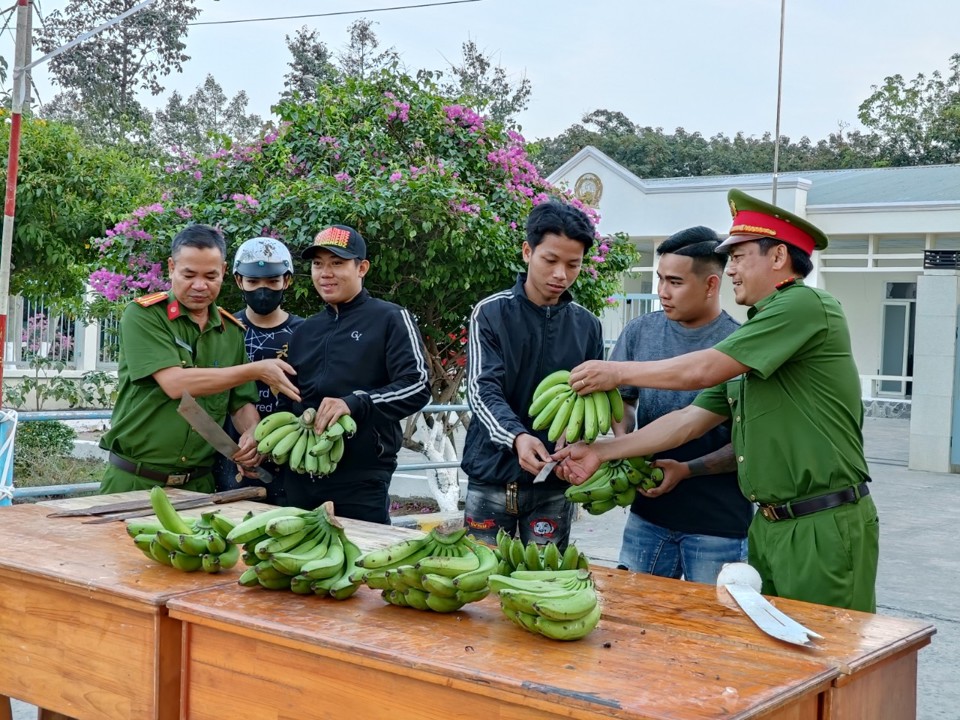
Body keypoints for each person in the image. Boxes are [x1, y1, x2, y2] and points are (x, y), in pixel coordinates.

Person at [557, 189, 879, 612]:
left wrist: (617, 371)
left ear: (778, 256)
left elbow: (700, 370)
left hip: (820, 524)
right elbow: (690, 419)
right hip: (770, 524)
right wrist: (601, 450)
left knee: (829, 657)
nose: (732, 271)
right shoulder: (756, 337)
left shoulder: (805, 305)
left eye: (741, 257)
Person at [99, 224, 300, 495]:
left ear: (224, 273)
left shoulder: (230, 332)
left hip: (200, 487)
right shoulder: (144, 316)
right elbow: (174, 383)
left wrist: (252, 435)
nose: (199, 285)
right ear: (171, 268)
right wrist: (255, 370)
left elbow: (239, 403)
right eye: (189, 274)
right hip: (136, 480)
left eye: (210, 276)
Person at [610, 226, 751, 584]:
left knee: (711, 632)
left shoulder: (740, 344)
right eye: (660, 280)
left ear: (710, 285)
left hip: (717, 526)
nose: (662, 292)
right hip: (647, 518)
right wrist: (621, 439)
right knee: (633, 624)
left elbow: (752, 442)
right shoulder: (640, 331)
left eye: (675, 282)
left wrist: (689, 469)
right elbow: (624, 402)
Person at [461, 199, 604, 550]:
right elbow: (481, 390)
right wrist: (516, 437)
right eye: (550, 260)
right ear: (527, 252)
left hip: (553, 487)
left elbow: (592, 401)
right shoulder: (491, 313)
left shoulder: (588, 325)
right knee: (480, 585)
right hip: (491, 479)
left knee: (546, 584)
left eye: (573, 265)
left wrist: (574, 442)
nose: (561, 275)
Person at [278, 224, 430, 524]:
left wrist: (355, 402)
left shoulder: (390, 318)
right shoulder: (303, 331)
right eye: (318, 264)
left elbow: (418, 386)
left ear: (362, 267)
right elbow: (290, 399)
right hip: (300, 473)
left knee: (362, 565)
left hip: (362, 479)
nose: (325, 273)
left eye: (337, 263)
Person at [214, 237, 304, 505]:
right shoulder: (222, 329)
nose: (262, 290)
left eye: (272, 282)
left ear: (286, 281)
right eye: (253, 282)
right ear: (239, 281)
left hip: (291, 455)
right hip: (233, 454)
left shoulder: (306, 333)